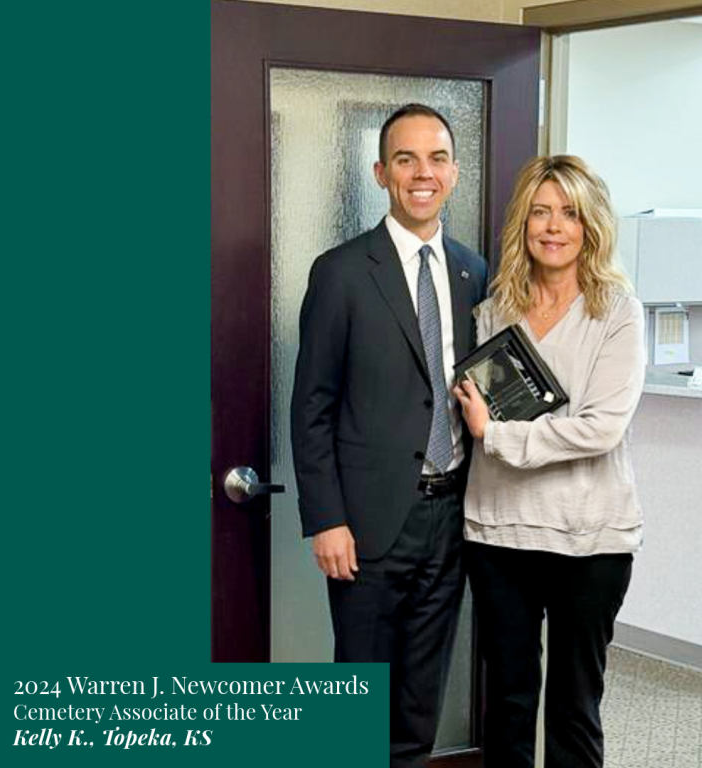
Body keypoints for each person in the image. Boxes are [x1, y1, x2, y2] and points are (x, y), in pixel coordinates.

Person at [290, 103, 487, 767]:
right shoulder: (342, 272)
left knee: (417, 704)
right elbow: (311, 404)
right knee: (358, 700)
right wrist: (326, 520)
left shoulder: (472, 272)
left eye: (436, 159)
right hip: (368, 527)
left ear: (454, 173)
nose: (421, 173)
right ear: (381, 172)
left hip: (450, 518)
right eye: (405, 159)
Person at [454, 155, 645, 768]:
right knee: (507, 705)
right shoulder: (493, 311)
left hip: (590, 541)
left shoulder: (618, 311)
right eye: (540, 212)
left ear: (591, 225)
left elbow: (602, 428)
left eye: (568, 213)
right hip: (498, 531)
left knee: (573, 707)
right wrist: (483, 433)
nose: (553, 226)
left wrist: (497, 436)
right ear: (524, 225)